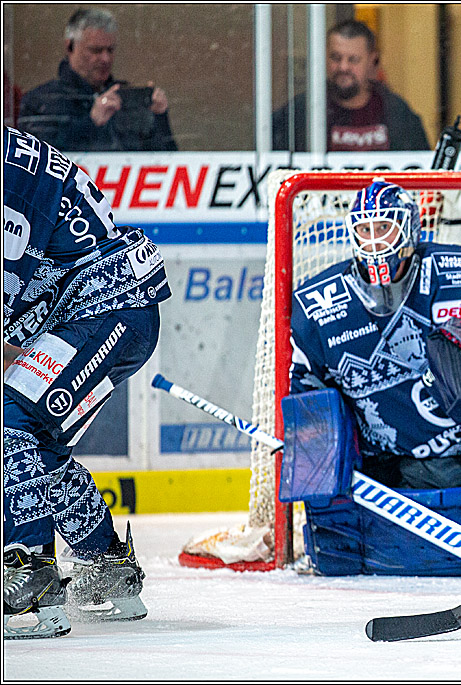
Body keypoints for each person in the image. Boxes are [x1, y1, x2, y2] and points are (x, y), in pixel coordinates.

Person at [3, 126, 171, 638]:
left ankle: (27, 576)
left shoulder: (11, 173)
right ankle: (106, 567)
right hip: (98, 311)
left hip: (108, 311)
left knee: (11, 421)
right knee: (34, 439)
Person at [288, 180, 461, 490]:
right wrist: (314, 443)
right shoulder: (318, 303)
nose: (374, 242)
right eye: (364, 231)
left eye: (384, 227)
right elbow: (304, 389)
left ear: (408, 227)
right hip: (389, 460)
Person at [17, 8, 177, 152]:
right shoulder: (40, 101)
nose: (105, 59)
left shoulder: (124, 97)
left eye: (110, 50)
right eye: (96, 50)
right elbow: (36, 165)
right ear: (70, 47)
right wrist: (90, 123)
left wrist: (159, 116)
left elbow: (166, 160)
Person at [272, 20, 429, 153]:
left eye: (353, 59)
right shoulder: (300, 113)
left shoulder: (397, 113)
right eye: (336, 58)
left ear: (371, 60)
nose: (343, 67)